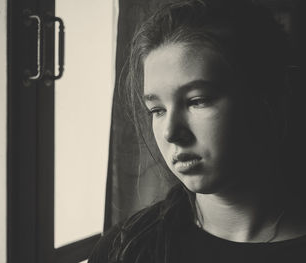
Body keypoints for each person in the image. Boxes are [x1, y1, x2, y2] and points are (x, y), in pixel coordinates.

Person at [89, 0, 306, 262]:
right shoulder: (124, 251)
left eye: (197, 100)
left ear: (268, 98)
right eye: (157, 110)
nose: (170, 132)